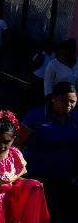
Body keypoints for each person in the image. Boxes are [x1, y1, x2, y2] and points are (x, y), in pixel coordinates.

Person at [16, 81, 77, 216]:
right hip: (37, 175)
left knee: (55, 214)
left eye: (72, 101)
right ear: (53, 98)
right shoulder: (36, 116)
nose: (68, 105)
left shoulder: (75, 117)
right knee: (34, 213)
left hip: (65, 176)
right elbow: (18, 143)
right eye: (64, 101)